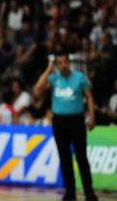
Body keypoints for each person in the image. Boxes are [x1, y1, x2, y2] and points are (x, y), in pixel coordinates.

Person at [34, 52, 98, 201]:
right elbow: (38, 88)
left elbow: (89, 95)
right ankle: (70, 192)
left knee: (81, 157)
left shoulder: (79, 77)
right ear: (57, 64)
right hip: (59, 122)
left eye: (65, 62)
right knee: (65, 158)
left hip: (76, 121)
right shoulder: (54, 78)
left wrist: (92, 116)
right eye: (60, 63)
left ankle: (89, 192)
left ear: (69, 63)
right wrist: (49, 69)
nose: (64, 65)